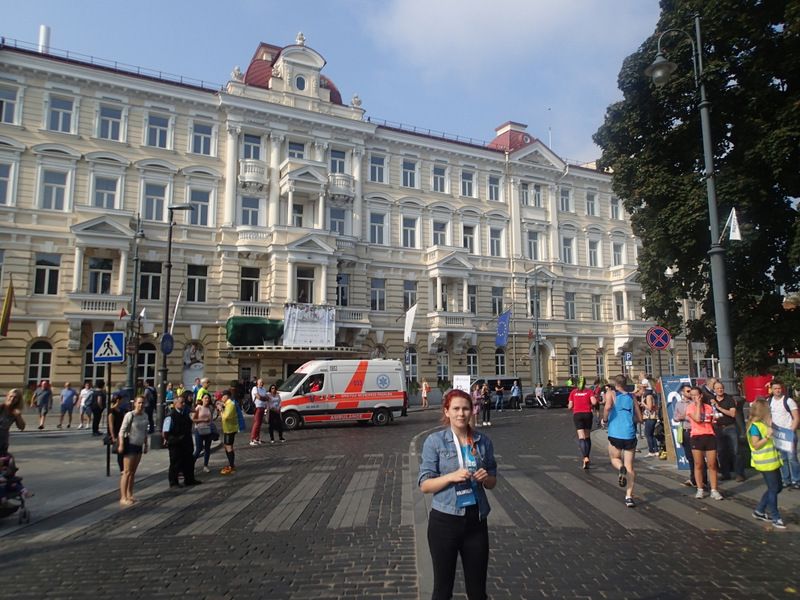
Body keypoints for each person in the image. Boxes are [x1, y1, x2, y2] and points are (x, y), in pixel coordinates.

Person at [418, 389, 497, 600]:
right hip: (445, 522)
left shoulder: (483, 442)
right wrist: (451, 476)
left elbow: (492, 482)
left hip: (476, 521)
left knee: (478, 592)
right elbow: (425, 485)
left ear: (472, 411)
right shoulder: (435, 442)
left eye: (465, 408)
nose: (461, 413)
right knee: (442, 591)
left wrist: (485, 477)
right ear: (447, 411)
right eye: (456, 409)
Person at [602, 374, 642, 507]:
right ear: (626, 384)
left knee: (615, 458)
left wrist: (605, 419)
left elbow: (607, 407)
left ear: (615, 383)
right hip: (629, 434)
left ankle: (621, 468)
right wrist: (632, 419)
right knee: (631, 467)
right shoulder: (632, 397)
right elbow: (639, 417)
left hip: (615, 433)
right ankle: (629, 497)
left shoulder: (611, 393)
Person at [747, 399, 787, 529]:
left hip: (772, 461)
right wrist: (767, 437)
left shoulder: (763, 423)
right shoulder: (755, 426)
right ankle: (776, 517)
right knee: (774, 488)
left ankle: (760, 510)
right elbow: (755, 445)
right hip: (765, 462)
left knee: (777, 487)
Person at [687, 386, 722, 500]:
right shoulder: (690, 407)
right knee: (699, 464)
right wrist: (697, 405)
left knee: (712, 464)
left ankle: (714, 490)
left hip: (709, 435)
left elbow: (711, 422)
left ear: (701, 395)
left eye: (695, 395)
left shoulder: (708, 407)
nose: (693, 397)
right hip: (696, 436)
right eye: (691, 395)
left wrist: (715, 420)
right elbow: (697, 418)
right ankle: (700, 489)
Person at [163, 394, 201, 489]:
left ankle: (189, 479)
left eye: (184, 402)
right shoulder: (171, 416)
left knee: (188, 461)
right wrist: (166, 439)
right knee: (175, 462)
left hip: (186, 440)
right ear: (175, 404)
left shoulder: (185, 413)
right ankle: (173, 482)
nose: (183, 404)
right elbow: (166, 430)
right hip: (175, 442)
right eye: (181, 402)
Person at [768, 381, 800, 489]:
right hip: (778, 433)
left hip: (789, 431)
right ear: (772, 389)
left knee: (792, 458)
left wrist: (791, 430)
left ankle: (797, 480)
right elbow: (769, 417)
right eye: (775, 388)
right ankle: (786, 479)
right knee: (783, 458)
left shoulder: (788, 401)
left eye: (779, 388)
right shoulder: (770, 401)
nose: (777, 390)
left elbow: (796, 417)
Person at [711, 381, 744, 482]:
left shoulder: (729, 399)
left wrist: (719, 407)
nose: (720, 390)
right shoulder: (711, 401)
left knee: (736, 451)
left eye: (721, 388)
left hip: (730, 427)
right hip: (718, 428)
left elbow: (732, 414)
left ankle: (739, 474)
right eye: (718, 388)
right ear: (714, 390)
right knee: (721, 452)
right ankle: (725, 473)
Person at [118, 396, 149, 505]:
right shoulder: (130, 415)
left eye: (143, 403)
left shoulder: (145, 416)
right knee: (126, 471)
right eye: (139, 403)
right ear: (134, 404)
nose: (141, 405)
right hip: (130, 445)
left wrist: (146, 444)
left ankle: (130, 494)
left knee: (133, 472)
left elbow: (145, 431)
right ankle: (123, 497)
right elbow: (122, 431)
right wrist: (121, 444)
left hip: (139, 445)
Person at [672, 384, 700, 488]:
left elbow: (697, 417)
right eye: (688, 391)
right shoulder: (679, 404)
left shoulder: (694, 403)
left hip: (694, 430)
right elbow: (674, 417)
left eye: (691, 391)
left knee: (697, 457)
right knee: (689, 457)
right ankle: (693, 478)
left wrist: (686, 417)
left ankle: (700, 480)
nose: (690, 393)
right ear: (682, 393)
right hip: (684, 431)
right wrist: (679, 418)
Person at [568, 376, 596, 469]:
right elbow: (594, 402)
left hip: (578, 414)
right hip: (587, 414)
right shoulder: (589, 391)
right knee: (587, 436)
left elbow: (570, 406)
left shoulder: (573, 392)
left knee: (581, 437)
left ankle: (585, 457)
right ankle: (587, 457)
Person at [218, 390, 239, 474]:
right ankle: (230, 464)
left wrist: (220, 410)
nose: (221, 398)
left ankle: (231, 466)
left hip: (230, 429)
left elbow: (225, 417)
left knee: (229, 447)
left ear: (227, 396)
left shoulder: (230, 404)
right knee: (226, 446)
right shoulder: (228, 404)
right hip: (227, 428)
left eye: (222, 396)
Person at [192, 392, 214, 472]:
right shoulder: (198, 407)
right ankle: (191, 464)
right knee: (198, 449)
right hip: (199, 430)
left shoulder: (210, 408)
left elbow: (211, 419)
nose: (207, 400)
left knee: (207, 449)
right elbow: (193, 419)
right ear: (202, 399)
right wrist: (203, 420)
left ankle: (205, 465)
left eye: (208, 398)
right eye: (205, 398)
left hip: (208, 430)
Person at [0, 389, 26, 455]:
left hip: (3, 442)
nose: (12, 399)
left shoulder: (15, 412)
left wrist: (18, 416)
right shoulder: (1, 407)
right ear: (7, 396)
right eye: (10, 396)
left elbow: (22, 427)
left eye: (15, 397)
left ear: (18, 400)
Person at [107, 393, 126, 473]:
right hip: (116, 432)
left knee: (124, 451)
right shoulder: (112, 411)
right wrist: (113, 436)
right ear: (118, 400)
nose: (123, 401)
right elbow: (111, 424)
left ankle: (124, 467)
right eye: (122, 399)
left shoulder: (121, 410)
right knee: (119, 452)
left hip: (122, 432)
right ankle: (122, 469)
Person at [250, 378, 268, 446]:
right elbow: (258, 397)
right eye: (260, 382)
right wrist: (263, 398)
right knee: (256, 423)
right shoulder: (255, 388)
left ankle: (257, 438)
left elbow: (266, 397)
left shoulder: (263, 389)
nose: (261, 384)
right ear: (257, 383)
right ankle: (252, 439)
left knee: (260, 423)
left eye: (262, 382)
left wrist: (263, 398)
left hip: (262, 407)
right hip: (257, 407)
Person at [642, 389, 659, 457]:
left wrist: (643, 404)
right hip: (653, 417)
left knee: (648, 434)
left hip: (650, 417)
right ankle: (656, 450)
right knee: (651, 434)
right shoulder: (652, 396)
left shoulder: (648, 396)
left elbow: (649, 408)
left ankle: (651, 451)